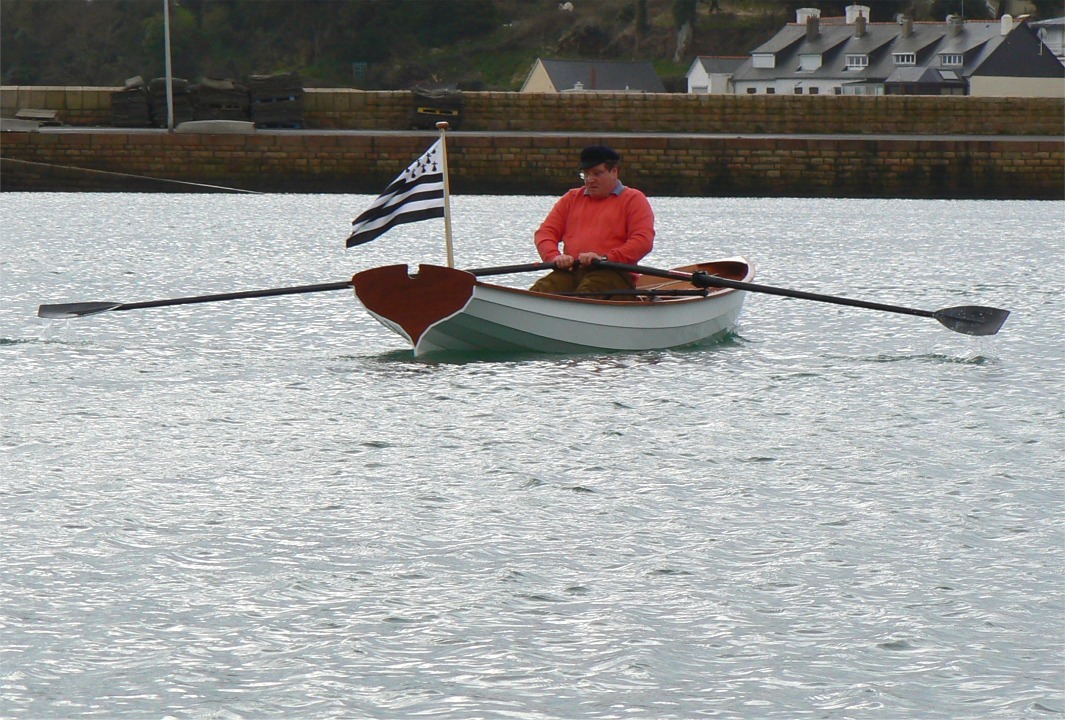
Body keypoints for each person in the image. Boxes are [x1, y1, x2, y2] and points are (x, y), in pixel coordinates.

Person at [530, 145, 655, 298]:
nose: (590, 180)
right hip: (572, 271)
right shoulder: (571, 198)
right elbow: (545, 233)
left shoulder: (634, 199)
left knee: (588, 291)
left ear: (614, 171)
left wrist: (605, 258)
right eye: (586, 174)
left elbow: (642, 241)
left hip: (614, 273)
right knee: (540, 290)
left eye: (597, 173)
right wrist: (554, 257)